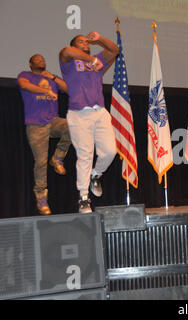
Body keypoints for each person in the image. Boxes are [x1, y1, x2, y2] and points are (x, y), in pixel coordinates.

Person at [59, 32, 119, 213]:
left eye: (87, 41)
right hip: (78, 114)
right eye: (81, 41)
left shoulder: (98, 59)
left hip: (99, 112)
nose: (85, 43)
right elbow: (67, 51)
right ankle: (84, 198)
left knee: (110, 151)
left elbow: (114, 50)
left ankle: (96, 175)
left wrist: (99, 39)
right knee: (85, 155)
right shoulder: (69, 61)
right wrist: (91, 61)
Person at [17, 54, 71, 215]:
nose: (41, 60)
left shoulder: (51, 78)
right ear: (30, 63)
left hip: (53, 120)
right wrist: (46, 91)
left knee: (73, 126)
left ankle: (57, 157)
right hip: (35, 125)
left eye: (43, 59)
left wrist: (53, 77)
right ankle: (41, 197)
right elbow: (24, 86)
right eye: (37, 59)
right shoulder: (25, 75)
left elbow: (68, 89)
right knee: (40, 162)